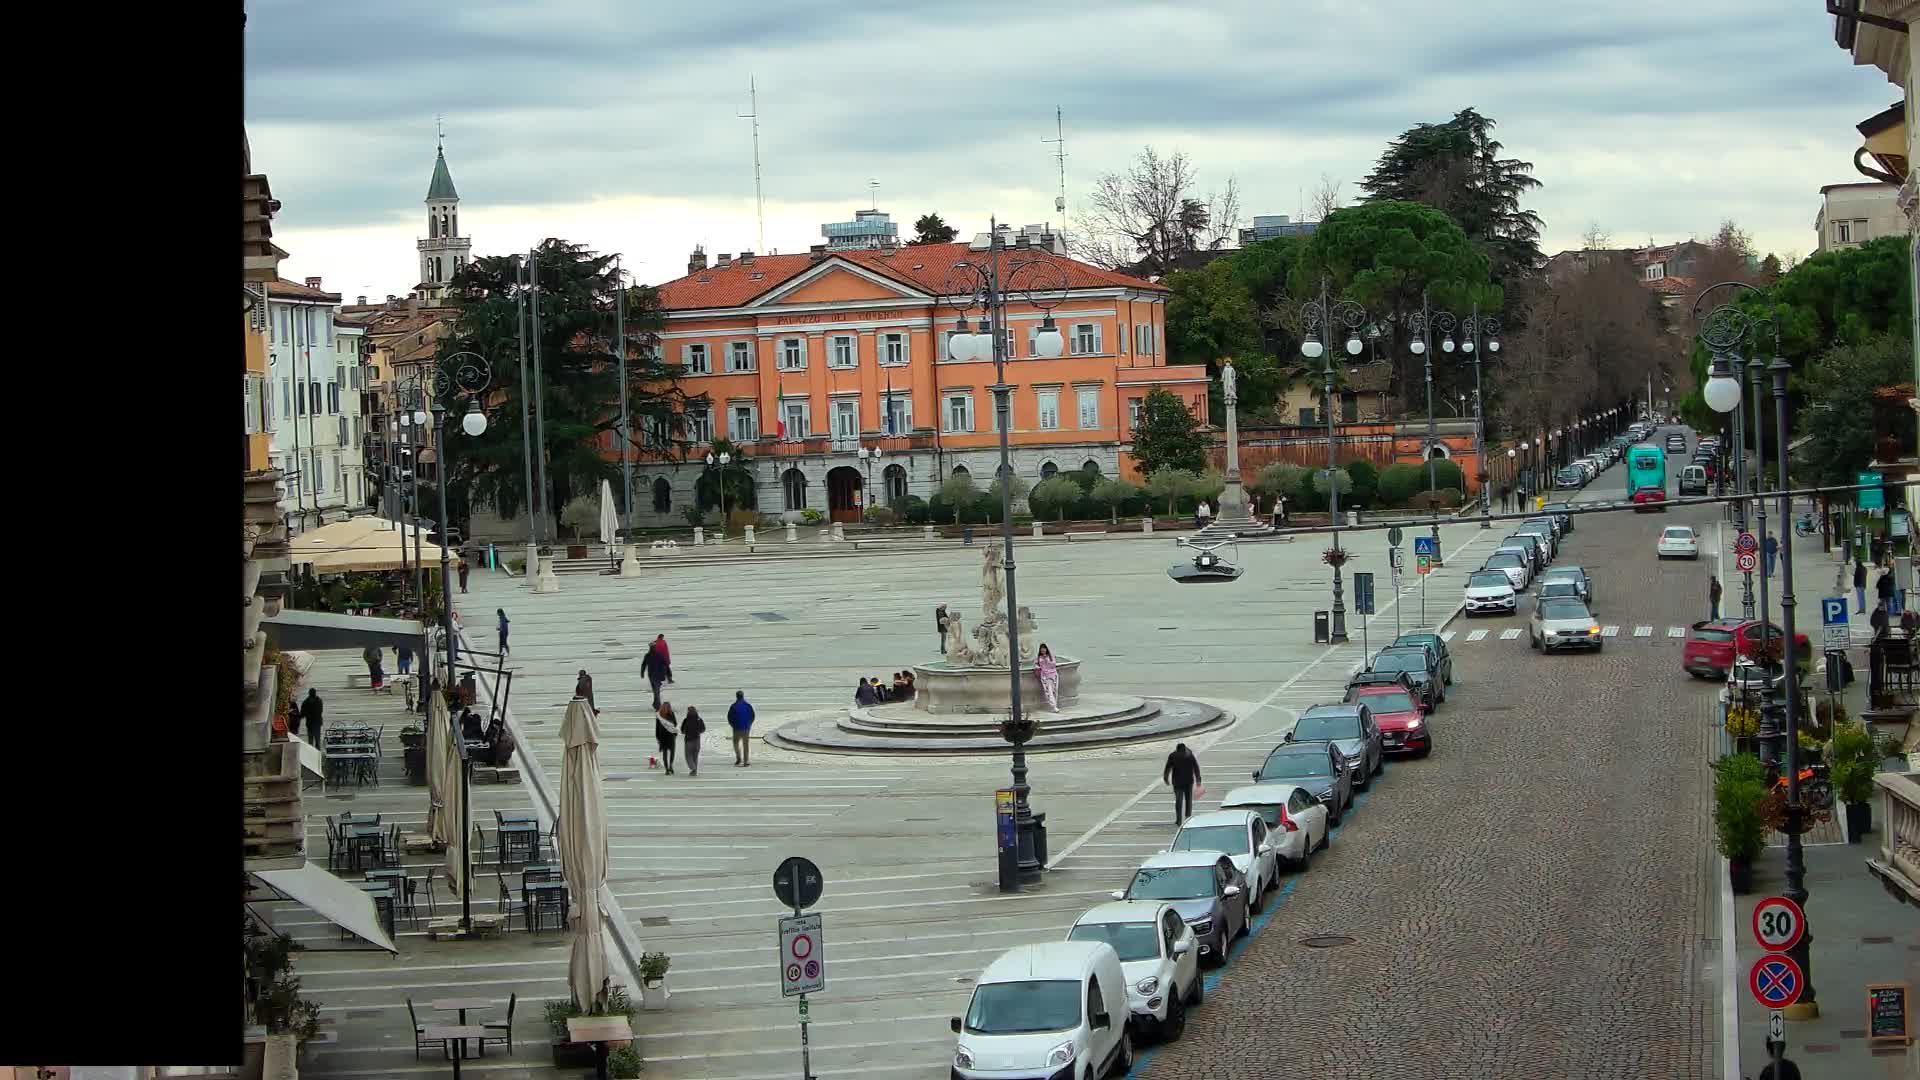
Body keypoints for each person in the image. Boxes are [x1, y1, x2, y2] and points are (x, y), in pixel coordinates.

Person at [1163, 742, 1201, 825]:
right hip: (1188, 782)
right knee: (1188, 800)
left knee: (1179, 801)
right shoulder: (1189, 755)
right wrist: (1198, 779)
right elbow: (1196, 767)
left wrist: (1166, 778)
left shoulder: (1173, 755)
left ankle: (1179, 820)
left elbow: (1168, 768)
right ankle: (1188, 817)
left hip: (1177, 782)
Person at [642, 636, 673, 708]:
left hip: (654, 675)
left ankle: (657, 704)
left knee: (656, 690)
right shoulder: (655, 655)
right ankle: (656, 703)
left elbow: (644, 664)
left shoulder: (650, 655)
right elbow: (666, 664)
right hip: (655, 675)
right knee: (656, 690)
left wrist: (642, 672)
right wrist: (669, 674)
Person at [727, 691, 755, 766]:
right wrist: (749, 724)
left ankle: (738, 758)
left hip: (736, 728)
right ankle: (746, 761)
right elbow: (752, 716)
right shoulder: (748, 706)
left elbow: (729, 717)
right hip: (746, 728)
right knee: (745, 744)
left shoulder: (733, 706)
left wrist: (733, 725)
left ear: (736, 696)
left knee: (735, 743)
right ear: (743, 696)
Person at [655, 703, 681, 774]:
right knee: (672, 752)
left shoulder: (659, 715)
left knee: (665, 753)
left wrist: (657, 737)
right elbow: (675, 724)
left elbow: (657, 727)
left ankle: (666, 769)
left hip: (662, 736)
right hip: (671, 736)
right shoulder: (671, 713)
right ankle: (671, 766)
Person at [1035, 643, 1061, 712]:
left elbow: (1054, 664)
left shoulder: (1051, 656)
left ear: (1046, 649)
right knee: (1049, 691)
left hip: (1053, 675)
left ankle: (1055, 705)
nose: (1043, 651)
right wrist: (1037, 667)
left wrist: (1048, 661)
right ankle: (1053, 706)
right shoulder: (1039, 658)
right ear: (1040, 651)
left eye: (1044, 649)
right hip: (1045, 676)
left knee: (1055, 690)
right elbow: (1036, 664)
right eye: (1041, 650)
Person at [681, 706, 706, 776]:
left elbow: (682, 730)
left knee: (688, 756)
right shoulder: (699, 719)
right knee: (695, 756)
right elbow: (703, 729)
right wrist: (698, 731)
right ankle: (694, 772)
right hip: (697, 740)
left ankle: (693, 768)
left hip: (689, 740)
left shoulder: (686, 720)